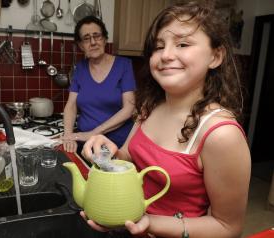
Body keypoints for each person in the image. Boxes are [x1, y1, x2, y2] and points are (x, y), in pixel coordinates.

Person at [81, 1, 251, 237]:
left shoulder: (222, 135)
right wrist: (108, 153)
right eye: (158, 47)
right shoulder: (149, 107)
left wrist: (149, 222)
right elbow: (129, 158)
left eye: (183, 44)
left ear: (215, 56)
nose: (166, 55)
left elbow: (228, 227)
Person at [62, 16, 136, 156]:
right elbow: (71, 105)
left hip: (117, 146)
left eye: (97, 36)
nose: (93, 42)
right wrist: (68, 135)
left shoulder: (124, 65)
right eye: (86, 38)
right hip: (86, 146)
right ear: (80, 45)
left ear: (105, 39)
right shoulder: (80, 68)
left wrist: (92, 133)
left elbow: (129, 109)